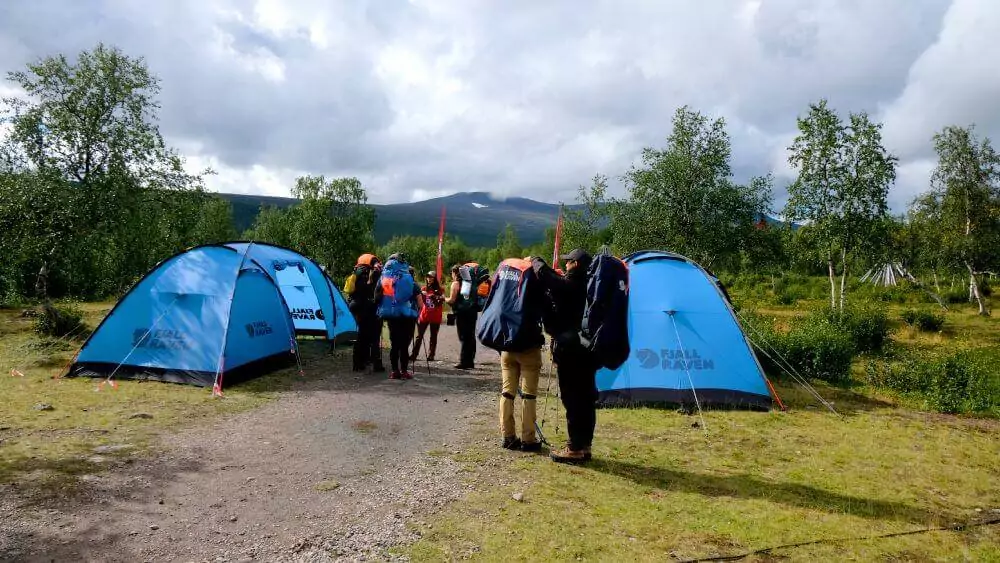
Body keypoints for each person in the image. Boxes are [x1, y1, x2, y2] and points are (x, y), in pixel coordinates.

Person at [530, 249, 597, 464]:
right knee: (586, 396)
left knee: (572, 397)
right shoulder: (591, 285)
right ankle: (584, 445)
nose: (565, 265)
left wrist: (534, 259)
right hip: (588, 348)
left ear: (576, 264)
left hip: (571, 349)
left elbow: (545, 275)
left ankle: (574, 448)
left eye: (568, 262)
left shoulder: (571, 285)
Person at [375, 253, 420, 380]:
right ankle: (404, 371)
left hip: (392, 315)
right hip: (407, 317)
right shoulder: (412, 282)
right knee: (404, 345)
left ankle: (395, 371)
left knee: (394, 344)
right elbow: (419, 302)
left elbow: (377, 298)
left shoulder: (385, 279)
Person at [347, 254, 385, 373]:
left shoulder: (356, 274)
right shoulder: (376, 274)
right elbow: (379, 293)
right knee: (374, 337)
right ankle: (375, 364)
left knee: (360, 336)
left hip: (356, 308)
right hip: (371, 309)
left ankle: (357, 364)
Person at [446, 265, 477, 370]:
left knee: (463, 337)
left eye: (452, 273)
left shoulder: (456, 283)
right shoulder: (469, 282)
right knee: (470, 336)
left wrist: (443, 298)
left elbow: (452, 300)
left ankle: (464, 362)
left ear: (454, 273)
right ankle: (470, 361)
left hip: (462, 313)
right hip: (472, 311)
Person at [411, 271, 444, 362]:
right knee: (419, 336)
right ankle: (414, 354)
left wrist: (434, 297)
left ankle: (431, 355)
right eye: (428, 277)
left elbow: (440, 302)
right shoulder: (424, 288)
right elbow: (420, 302)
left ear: (435, 278)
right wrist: (421, 294)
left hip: (435, 316)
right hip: (424, 316)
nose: (429, 279)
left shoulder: (440, 290)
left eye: (431, 277)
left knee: (433, 336)